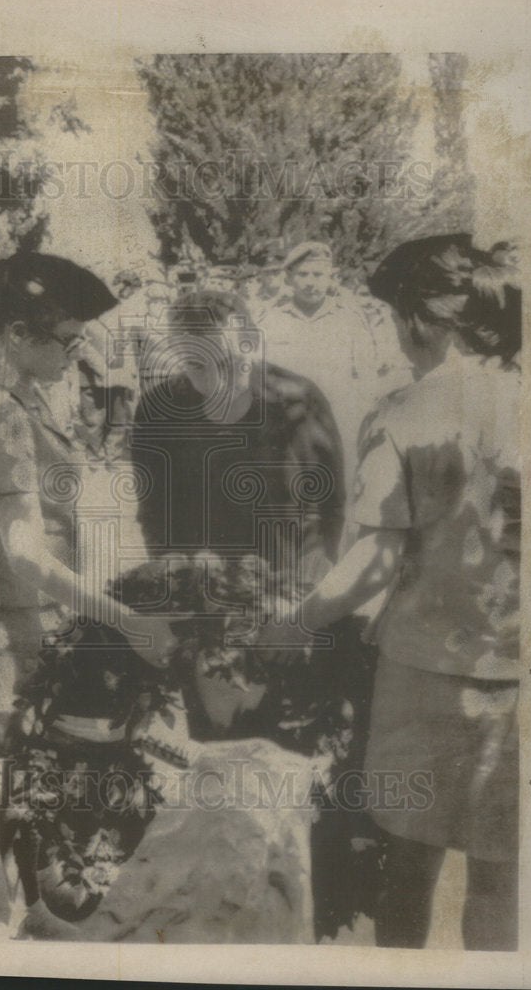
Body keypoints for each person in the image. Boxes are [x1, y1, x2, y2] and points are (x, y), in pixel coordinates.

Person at [264, 234, 522, 950]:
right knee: (500, 883)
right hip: (524, 674)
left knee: (406, 871)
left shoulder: (405, 412)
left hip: (425, 678)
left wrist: (298, 621)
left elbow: (373, 562)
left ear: (416, 319)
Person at [0, 252, 176, 937]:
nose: (78, 354)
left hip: (19, 605)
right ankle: (33, 917)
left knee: (27, 765)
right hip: (6, 614)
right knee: (25, 771)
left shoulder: (1, 399)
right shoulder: (2, 417)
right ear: (17, 334)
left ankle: (36, 908)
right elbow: (23, 550)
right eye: (67, 339)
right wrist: (126, 619)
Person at [131, 289, 345, 738]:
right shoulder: (157, 410)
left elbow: (328, 512)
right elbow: (156, 517)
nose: (216, 380)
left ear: (248, 342)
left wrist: (304, 612)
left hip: (288, 612)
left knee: (294, 751)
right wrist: (188, 609)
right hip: (208, 617)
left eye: (228, 363)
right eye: (196, 366)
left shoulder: (299, 399)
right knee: (222, 752)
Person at [256, 240, 411, 503]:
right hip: (286, 428)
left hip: (339, 425)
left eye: (318, 275)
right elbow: (259, 379)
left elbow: (366, 380)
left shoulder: (350, 318)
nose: (310, 282)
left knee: (342, 499)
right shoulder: (270, 320)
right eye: (303, 274)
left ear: (331, 277)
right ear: (289, 278)